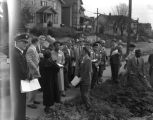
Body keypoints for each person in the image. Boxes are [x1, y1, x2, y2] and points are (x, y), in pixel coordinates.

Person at [11, 33, 29, 120]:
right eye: (24, 42)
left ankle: (22, 116)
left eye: (27, 42)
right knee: (19, 102)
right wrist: (29, 76)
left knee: (21, 101)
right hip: (18, 83)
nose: (26, 44)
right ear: (17, 42)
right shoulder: (16, 53)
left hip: (21, 82)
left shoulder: (20, 53)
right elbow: (22, 71)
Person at [26, 37, 41, 109]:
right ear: (36, 42)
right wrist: (35, 68)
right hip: (32, 70)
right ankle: (30, 102)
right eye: (38, 42)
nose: (39, 43)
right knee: (32, 87)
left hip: (35, 69)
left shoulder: (33, 48)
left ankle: (33, 99)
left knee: (35, 86)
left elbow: (34, 59)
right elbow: (28, 60)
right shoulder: (31, 49)